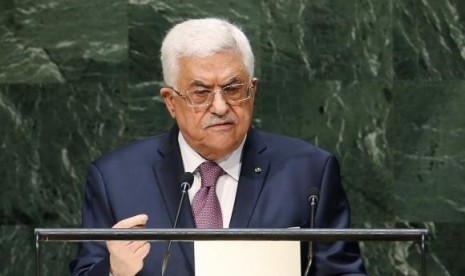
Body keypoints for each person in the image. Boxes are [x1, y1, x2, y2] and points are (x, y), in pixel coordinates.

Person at [70, 18, 367, 275]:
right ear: (171, 102)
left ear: (253, 91)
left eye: (233, 88)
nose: (221, 106)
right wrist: (112, 271)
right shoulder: (115, 178)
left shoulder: (309, 173)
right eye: (201, 93)